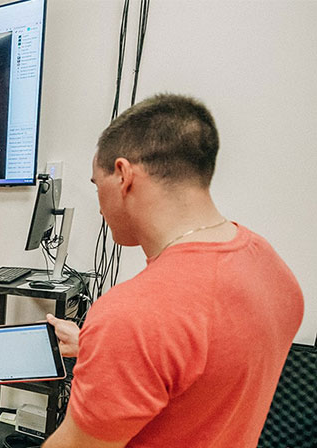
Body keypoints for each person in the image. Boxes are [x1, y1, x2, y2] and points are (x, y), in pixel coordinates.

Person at [43, 94, 304, 448]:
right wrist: (95, 346)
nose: (99, 206)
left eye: (96, 184)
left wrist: (115, 342)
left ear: (123, 175)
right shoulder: (270, 266)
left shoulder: (132, 316)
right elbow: (202, 366)